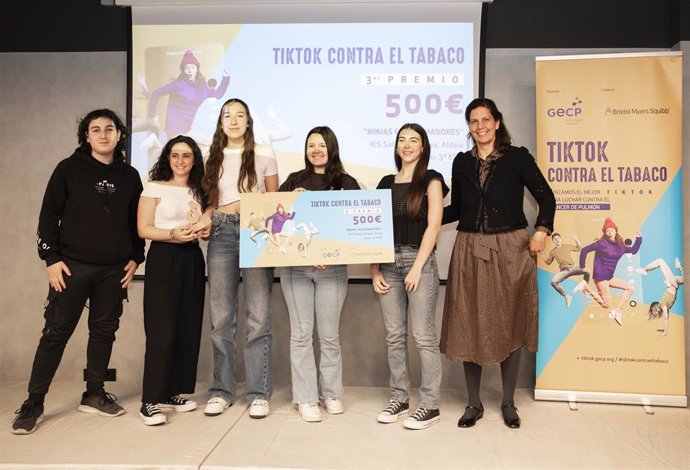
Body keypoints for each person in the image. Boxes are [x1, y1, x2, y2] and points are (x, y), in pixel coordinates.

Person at [11, 109, 145, 435]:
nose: (103, 134)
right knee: (55, 333)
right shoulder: (68, 169)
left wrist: (136, 258)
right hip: (71, 267)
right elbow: (48, 217)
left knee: (103, 332)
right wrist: (51, 259)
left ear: (119, 135)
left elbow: (135, 224)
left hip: (113, 270)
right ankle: (33, 403)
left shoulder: (130, 176)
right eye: (95, 129)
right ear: (86, 136)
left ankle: (94, 393)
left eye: (109, 129)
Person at [441, 98, 555, 430]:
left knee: (509, 321)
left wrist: (542, 230)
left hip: (511, 248)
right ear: (469, 127)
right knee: (469, 320)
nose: (480, 126)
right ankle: (473, 403)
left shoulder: (517, 157)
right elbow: (458, 210)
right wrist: (424, 212)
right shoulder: (462, 162)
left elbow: (546, 197)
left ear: (497, 122)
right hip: (470, 246)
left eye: (486, 119)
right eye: (474, 121)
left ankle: (507, 402)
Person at [201, 98, 278, 418]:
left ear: (248, 121)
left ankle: (259, 392)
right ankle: (222, 389)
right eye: (227, 116)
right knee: (221, 319)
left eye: (240, 115)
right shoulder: (211, 155)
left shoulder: (264, 153)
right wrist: (204, 219)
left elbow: (275, 201)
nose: (233, 120)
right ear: (220, 123)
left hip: (256, 233)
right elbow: (210, 202)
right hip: (221, 234)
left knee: (258, 317)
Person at [279, 126, 360, 422]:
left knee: (329, 336)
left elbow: (354, 229)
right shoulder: (293, 181)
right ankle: (305, 398)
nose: (316, 150)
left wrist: (330, 253)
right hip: (296, 270)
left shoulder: (347, 183)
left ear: (331, 148)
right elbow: (277, 226)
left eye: (321, 145)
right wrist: (290, 200)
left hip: (333, 271)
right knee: (301, 335)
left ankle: (331, 393)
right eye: (311, 145)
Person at [371, 123, 447, 430]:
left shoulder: (432, 180)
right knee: (394, 337)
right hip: (387, 263)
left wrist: (417, 266)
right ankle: (399, 398)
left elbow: (433, 226)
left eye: (413, 140)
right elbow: (372, 228)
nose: (407, 144)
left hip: (420, 264)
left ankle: (429, 405)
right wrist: (374, 268)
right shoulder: (385, 182)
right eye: (402, 139)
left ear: (423, 147)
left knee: (424, 336)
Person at [136, 136, 207, 425]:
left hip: (192, 257)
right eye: (175, 155)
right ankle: (149, 400)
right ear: (167, 157)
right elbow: (143, 228)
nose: (180, 161)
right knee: (161, 329)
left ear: (194, 160)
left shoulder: (199, 190)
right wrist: (173, 235)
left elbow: (203, 225)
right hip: (164, 256)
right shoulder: (153, 187)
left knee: (187, 326)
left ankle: (171, 393)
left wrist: (202, 231)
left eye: (186, 156)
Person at [148, 50, 230, 138]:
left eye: (192, 68)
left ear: (197, 69)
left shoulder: (202, 87)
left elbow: (218, 94)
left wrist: (225, 79)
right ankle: (155, 141)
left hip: (188, 129)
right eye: (187, 68)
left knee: (208, 145)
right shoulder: (178, 85)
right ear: (183, 70)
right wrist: (153, 115)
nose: (190, 71)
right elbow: (155, 93)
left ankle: (155, 142)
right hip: (174, 130)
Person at [578, 217, 642, 326]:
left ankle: (617, 311)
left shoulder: (620, 246)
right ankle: (586, 287)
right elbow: (584, 250)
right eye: (607, 230)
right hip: (600, 277)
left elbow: (634, 251)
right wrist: (582, 266)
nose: (610, 231)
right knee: (606, 304)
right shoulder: (601, 243)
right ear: (605, 232)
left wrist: (639, 238)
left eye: (612, 229)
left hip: (609, 277)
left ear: (616, 231)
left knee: (630, 288)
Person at [542, 233, 605, 308]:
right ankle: (567, 296)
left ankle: (585, 286)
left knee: (587, 271)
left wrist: (576, 240)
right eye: (555, 239)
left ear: (561, 239)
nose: (557, 240)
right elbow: (548, 262)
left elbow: (579, 248)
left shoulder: (567, 246)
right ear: (553, 241)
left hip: (573, 268)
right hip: (564, 271)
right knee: (553, 281)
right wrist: (542, 254)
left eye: (558, 238)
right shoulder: (552, 252)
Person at [637, 258, 683, 336]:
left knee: (660, 261)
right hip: (674, 283)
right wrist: (664, 329)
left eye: (654, 309)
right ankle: (679, 267)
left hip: (670, 282)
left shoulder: (662, 304)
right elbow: (666, 318)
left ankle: (645, 270)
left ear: (655, 305)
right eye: (655, 312)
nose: (656, 311)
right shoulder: (666, 307)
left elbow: (666, 318)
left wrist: (665, 332)